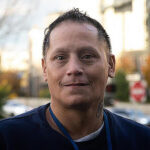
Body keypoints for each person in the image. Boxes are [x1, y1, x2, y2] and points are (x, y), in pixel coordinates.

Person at [0, 8, 150, 150]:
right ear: (45, 69)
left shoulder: (142, 140)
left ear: (110, 65)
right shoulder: (7, 138)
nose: (73, 69)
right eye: (60, 57)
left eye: (87, 56)